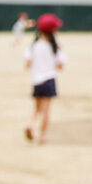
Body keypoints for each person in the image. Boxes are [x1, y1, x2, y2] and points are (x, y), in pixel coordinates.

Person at [23, 13, 65, 144]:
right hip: (49, 80)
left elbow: (28, 64)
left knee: (36, 108)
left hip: (36, 80)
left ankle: (29, 124)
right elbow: (60, 65)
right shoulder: (54, 48)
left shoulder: (34, 46)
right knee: (46, 111)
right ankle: (42, 137)